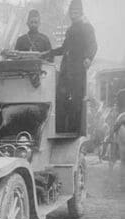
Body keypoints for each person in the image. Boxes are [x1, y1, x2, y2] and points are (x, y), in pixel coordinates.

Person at [48, 0, 97, 133]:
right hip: (66, 70)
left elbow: (93, 45)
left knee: (76, 101)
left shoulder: (87, 27)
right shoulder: (70, 30)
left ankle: (74, 132)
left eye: (76, 11)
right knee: (60, 98)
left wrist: (88, 57)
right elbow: (64, 48)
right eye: (72, 11)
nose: (73, 14)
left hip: (77, 71)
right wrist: (49, 52)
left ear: (81, 12)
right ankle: (60, 130)